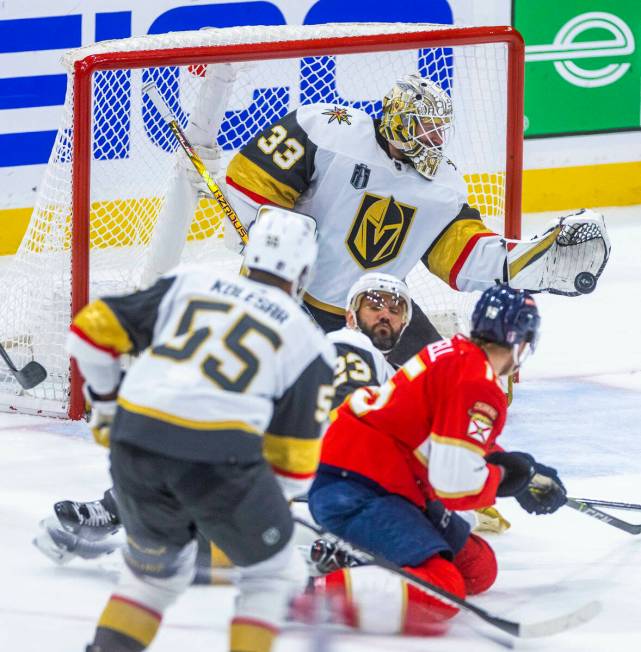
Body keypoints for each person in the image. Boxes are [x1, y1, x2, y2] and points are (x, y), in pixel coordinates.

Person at [70, 205, 336, 652]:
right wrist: (231, 505)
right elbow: (294, 470)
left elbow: (89, 333)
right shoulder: (308, 341)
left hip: (134, 441)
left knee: (151, 580)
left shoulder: (188, 282)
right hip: (222, 458)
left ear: (249, 254)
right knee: (274, 574)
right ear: (304, 271)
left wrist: (106, 407)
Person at [217, 72, 610, 365]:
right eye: (424, 127)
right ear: (396, 122)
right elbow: (253, 182)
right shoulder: (327, 131)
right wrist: (260, 231)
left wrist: (534, 264)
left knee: (435, 388)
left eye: (440, 130)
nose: (434, 139)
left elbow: (463, 255)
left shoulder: (443, 185)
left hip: (381, 309)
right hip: (289, 298)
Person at [305, 284, 567, 635]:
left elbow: (448, 435)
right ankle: (305, 594)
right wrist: (503, 479)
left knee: (478, 568)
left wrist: (524, 473)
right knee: (443, 590)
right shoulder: (477, 381)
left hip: (385, 479)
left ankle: (360, 558)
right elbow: (454, 485)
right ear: (522, 341)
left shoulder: (456, 354)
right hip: (359, 487)